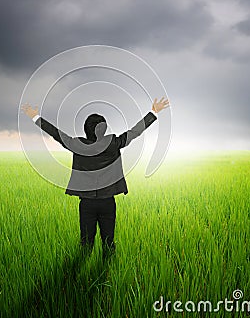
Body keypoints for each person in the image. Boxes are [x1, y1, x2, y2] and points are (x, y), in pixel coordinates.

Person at [22, 97, 169, 258]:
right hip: (108, 202)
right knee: (108, 242)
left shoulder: (76, 144)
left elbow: (56, 133)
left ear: (86, 129)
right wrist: (154, 112)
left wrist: (35, 117)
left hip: (87, 203)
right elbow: (135, 132)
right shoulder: (113, 142)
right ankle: (107, 271)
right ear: (103, 129)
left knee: (86, 243)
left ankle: (81, 275)